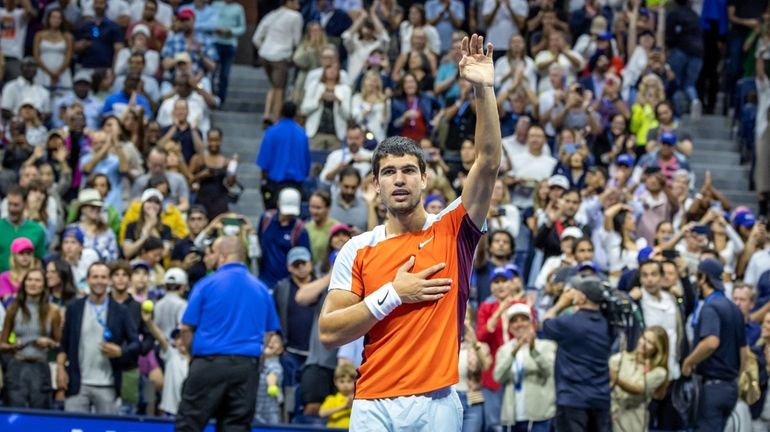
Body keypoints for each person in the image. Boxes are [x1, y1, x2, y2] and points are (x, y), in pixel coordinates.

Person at [318, 34, 501, 430]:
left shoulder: (455, 228)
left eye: (408, 171)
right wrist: (392, 295)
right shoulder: (357, 248)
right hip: (372, 404)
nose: (398, 180)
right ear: (376, 185)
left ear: (425, 180)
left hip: (436, 402)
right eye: (388, 172)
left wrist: (483, 89)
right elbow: (329, 331)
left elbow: (487, 162)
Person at [175, 236, 281, 431]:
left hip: (208, 363)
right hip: (245, 367)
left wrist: (193, 358)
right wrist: (257, 358)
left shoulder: (206, 284)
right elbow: (269, 333)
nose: (208, 257)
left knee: (189, 424)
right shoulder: (261, 289)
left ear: (222, 256)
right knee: (237, 427)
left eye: (211, 253)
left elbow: (186, 328)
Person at [57, 262, 141, 414]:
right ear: (88, 280)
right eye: (95, 277)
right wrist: (61, 368)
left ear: (109, 281)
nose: (99, 281)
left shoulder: (121, 311)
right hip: (77, 384)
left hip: (107, 385)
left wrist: (121, 351)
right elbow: (64, 343)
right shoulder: (74, 308)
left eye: (103, 277)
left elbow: (136, 344)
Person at [682, 258, 749, 431]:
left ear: (704, 278)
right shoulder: (734, 308)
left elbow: (711, 342)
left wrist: (689, 362)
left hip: (712, 387)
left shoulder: (710, 307)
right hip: (730, 388)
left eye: (698, 276)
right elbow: (744, 352)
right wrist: (734, 378)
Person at [541, 275, 612, 431]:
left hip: (572, 399)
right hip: (600, 398)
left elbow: (545, 324)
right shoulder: (607, 324)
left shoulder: (570, 323)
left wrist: (560, 304)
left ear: (582, 297)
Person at [0, 269, 61, 408]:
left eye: (37, 280)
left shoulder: (53, 311)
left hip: (40, 367)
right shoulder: (13, 308)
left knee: (40, 415)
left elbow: (59, 344)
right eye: (29, 280)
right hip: (17, 366)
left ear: (44, 285)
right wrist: (13, 345)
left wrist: (50, 343)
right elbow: (2, 344)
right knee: (14, 413)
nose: (33, 283)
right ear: (24, 283)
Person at [493, 302, 556, 431]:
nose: (519, 324)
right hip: (512, 417)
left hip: (539, 416)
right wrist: (513, 352)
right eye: (514, 321)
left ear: (532, 323)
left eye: (523, 319)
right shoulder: (505, 350)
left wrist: (533, 351)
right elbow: (498, 377)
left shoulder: (546, 346)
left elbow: (549, 371)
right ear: (510, 327)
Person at [609, 326, 669, 432]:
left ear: (657, 349)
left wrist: (616, 379)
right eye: (643, 338)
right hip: (611, 417)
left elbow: (639, 389)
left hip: (633, 422)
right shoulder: (621, 358)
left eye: (650, 342)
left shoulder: (659, 372)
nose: (643, 343)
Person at [251, 0, 302, 122]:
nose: (299, 4)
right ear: (288, 2)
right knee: (280, 88)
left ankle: (267, 113)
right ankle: (275, 117)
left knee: (274, 85)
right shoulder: (296, 16)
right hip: (281, 55)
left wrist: (264, 49)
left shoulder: (271, 15)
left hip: (264, 55)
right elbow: (296, 40)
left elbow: (256, 38)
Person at [256, 102, 311, 210]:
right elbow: (306, 163)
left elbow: (264, 163)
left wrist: (263, 183)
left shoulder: (271, 132)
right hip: (296, 185)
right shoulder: (302, 134)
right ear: (296, 114)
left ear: (281, 112)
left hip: (275, 184)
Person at [0, 186, 47, 273]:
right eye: (9, 204)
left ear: (25, 204)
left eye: (16, 205)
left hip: (25, 282)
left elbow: (38, 260)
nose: (11, 209)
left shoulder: (37, 230)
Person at [319, 363, 357, 428]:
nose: (345, 385)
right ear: (335, 382)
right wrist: (344, 407)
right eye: (342, 381)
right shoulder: (331, 399)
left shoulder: (358, 400)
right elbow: (322, 413)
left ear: (355, 381)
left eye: (349, 381)